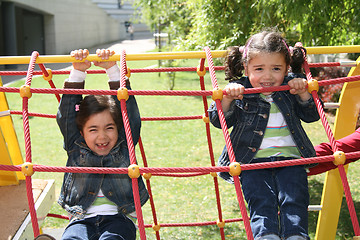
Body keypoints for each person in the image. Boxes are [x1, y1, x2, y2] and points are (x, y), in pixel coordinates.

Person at [209, 30, 321, 240]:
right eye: (259, 69)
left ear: (287, 68)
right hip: (251, 161)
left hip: (291, 160)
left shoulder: (291, 86)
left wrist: (304, 92)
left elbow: (313, 115)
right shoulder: (240, 90)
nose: (267, 76)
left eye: (276, 69)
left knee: (295, 198)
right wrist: (227, 99)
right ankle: (266, 235)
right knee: (261, 200)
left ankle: (295, 235)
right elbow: (218, 121)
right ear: (246, 67)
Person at [57, 48, 149, 240]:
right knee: (71, 239)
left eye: (109, 127)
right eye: (93, 130)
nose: (102, 137)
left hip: (119, 219)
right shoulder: (76, 146)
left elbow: (128, 111)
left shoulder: (124, 146)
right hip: (80, 219)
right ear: (81, 132)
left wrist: (112, 70)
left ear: (119, 128)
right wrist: (78, 72)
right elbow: (67, 114)